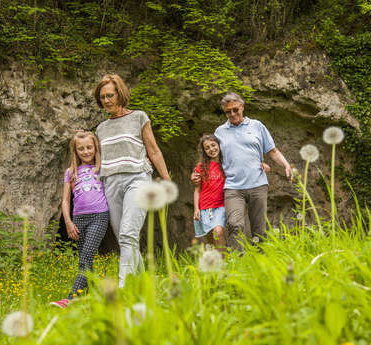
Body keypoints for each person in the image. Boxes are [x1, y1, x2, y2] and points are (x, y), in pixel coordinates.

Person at [94, 74, 170, 288]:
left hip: (137, 178)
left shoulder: (139, 117)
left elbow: (153, 150)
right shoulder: (101, 129)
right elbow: (99, 160)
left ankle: (123, 288)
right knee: (125, 239)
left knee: (128, 233)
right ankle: (145, 286)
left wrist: (166, 180)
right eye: (102, 97)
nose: (106, 100)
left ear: (120, 94)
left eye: (110, 95)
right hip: (111, 183)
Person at [192, 92, 292, 250]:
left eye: (235, 110)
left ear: (242, 107)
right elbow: (211, 155)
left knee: (259, 229)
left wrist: (286, 165)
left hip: (258, 184)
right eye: (228, 111)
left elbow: (272, 151)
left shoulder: (257, 126)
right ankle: (238, 262)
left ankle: (261, 262)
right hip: (233, 187)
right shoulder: (220, 132)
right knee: (234, 225)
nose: (232, 114)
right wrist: (196, 173)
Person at [51, 131, 109, 308]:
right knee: (86, 261)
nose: (85, 152)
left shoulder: (103, 168)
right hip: (78, 219)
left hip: (99, 216)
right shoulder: (71, 172)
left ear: (95, 148)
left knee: (85, 258)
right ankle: (93, 298)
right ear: (75, 151)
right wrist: (68, 222)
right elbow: (65, 200)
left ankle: (70, 299)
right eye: (81, 149)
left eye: (89, 147)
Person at [193, 134, 227, 251]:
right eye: (207, 148)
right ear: (204, 151)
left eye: (213, 145)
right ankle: (216, 266)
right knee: (210, 241)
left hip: (220, 206)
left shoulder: (226, 164)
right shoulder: (201, 167)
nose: (211, 149)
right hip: (204, 207)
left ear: (219, 145)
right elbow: (197, 190)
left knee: (218, 232)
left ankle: (224, 263)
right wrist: (196, 209)